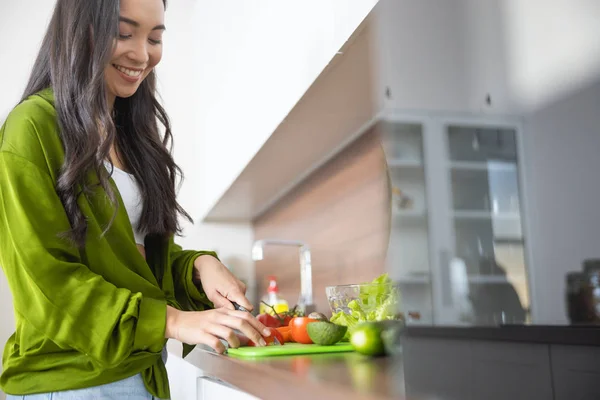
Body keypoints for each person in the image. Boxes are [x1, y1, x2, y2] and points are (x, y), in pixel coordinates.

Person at [0, 0, 271, 398]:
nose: (142, 54)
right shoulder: (31, 128)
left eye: (155, 37)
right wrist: (173, 321)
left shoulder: (129, 135)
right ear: (81, 30)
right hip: (72, 382)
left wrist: (198, 265)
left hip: (142, 372)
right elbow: (46, 279)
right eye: (124, 33)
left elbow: (131, 261)